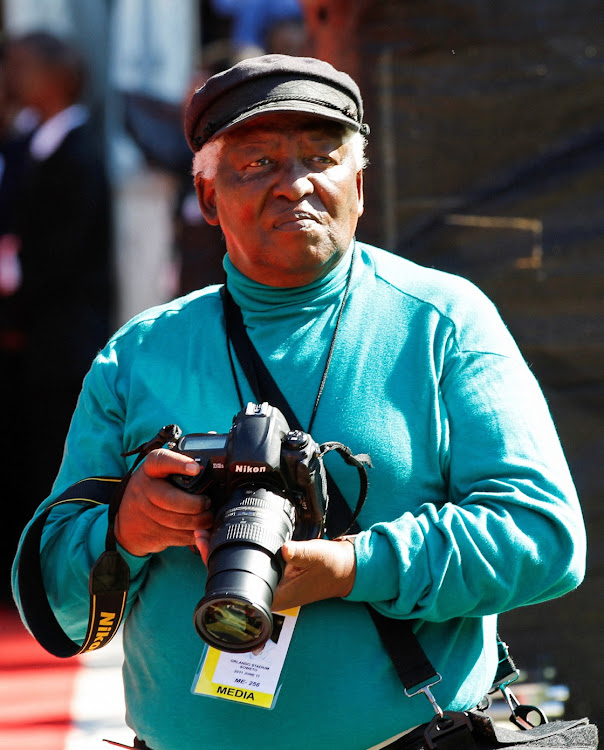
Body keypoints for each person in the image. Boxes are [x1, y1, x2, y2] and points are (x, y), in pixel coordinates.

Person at [12, 55, 586, 750]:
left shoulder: (443, 322)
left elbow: (545, 538)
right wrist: (127, 531)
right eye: (256, 163)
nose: (296, 184)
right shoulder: (138, 357)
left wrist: (350, 569)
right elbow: (57, 606)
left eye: (322, 156)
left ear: (360, 184)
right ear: (205, 195)